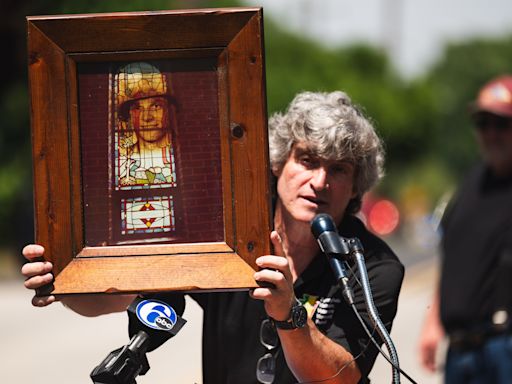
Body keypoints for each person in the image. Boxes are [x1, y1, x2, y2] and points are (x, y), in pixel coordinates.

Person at [22, 91, 404, 383]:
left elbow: (343, 378)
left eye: (338, 169)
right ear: (278, 163)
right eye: (307, 161)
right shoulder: (230, 232)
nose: (319, 181)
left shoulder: (375, 267)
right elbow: (124, 295)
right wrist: (65, 282)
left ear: (357, 186)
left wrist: (289, 315)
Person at [418, 75, 512, 383]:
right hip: (461, 350)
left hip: (503, 347)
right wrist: (434, 322)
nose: (491, 133)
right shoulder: (473, 184)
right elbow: (454, 259)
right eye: (483, 124)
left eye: (501, 124)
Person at [115, 62, 177, 189]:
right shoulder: (122, 163)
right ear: (130, 114)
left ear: (167, 111)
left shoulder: (177, 159)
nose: (147, 117)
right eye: (138, 108)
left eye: (156, 106)